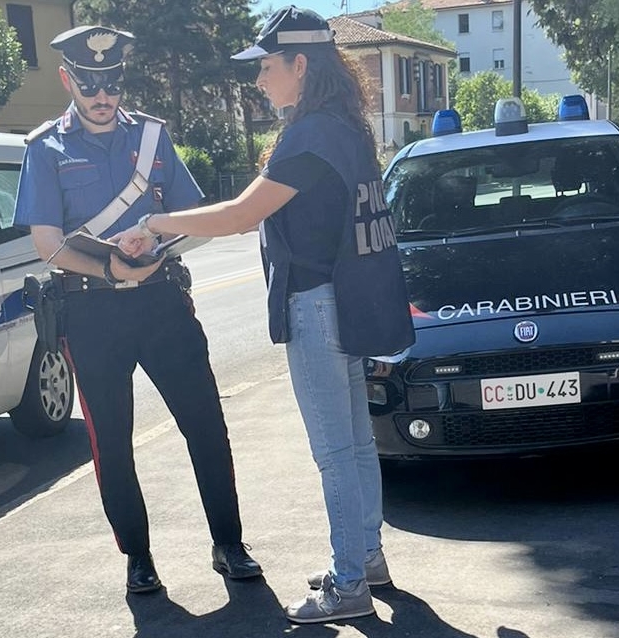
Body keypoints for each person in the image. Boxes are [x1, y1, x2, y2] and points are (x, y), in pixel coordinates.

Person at [115, 5, 414, 623]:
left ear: (300, 65)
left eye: (267, 67)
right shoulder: (347, 127)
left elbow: (237, 217)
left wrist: (154, 221)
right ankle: (367, 555)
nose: (259, 80)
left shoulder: (310, 137)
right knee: (357, 444)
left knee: (335, 450)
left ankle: (349, 583)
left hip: (318, 304)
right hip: (349, 300)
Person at [12, 24, 261, 595]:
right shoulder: (44, 147)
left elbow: (189, 218)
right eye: (91, 85)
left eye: (113, 84)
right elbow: (46, 241)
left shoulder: (152, 137)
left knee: (205, 424)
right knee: (112, 441)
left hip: (161, 302)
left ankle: (228, 543)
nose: (104, 97)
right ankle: (138, 558)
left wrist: (155, 245)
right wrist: (109, 268)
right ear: (68, 79)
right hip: (92, 313)